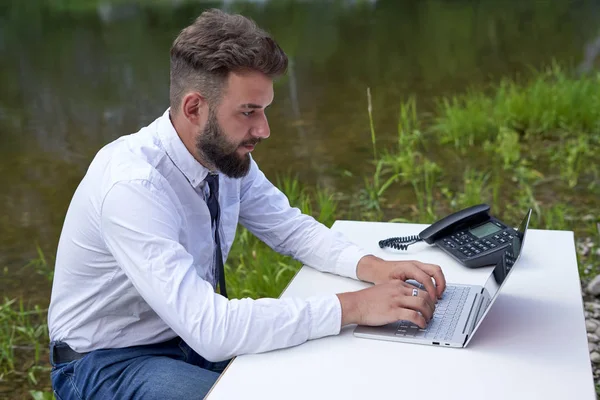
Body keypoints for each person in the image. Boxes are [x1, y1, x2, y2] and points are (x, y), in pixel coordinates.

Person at [48, 9, 446, 399]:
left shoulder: (222, 156)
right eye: (248, 112)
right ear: (194, 108)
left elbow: (290, 229)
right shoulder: (133, 187)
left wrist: (375, 268)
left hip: (187, 338)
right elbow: (212, 329)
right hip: (107, 361)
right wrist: (355, 306)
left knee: (321, 378)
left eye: (264, 110)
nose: (264, 130)